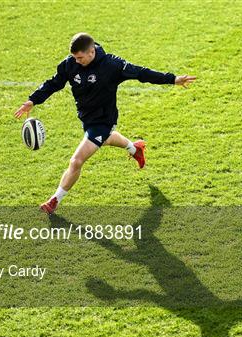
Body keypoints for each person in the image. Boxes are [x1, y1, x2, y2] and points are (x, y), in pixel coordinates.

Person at [14, 33, 196, 214]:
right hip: (86, 117)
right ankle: (135, 149)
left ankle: (54, 200)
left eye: (80, 58)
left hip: (104, 119)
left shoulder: (112, 65)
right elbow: (54, 83)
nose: (76, 61)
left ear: (92, 52)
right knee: (106, 139)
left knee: (76, 160)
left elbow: (141, 73)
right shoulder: (70, 64)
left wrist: (172, 79)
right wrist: (33, 100)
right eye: (74, 57)